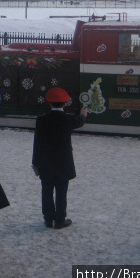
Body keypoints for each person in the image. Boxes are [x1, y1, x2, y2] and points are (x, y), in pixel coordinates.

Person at [32, 87, 87, 230]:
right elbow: (80, 122)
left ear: (49, 103)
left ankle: (49, 219)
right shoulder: (69, 119)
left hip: (46, 163)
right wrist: (83, 115)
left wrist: (35, 163)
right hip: (64, 163)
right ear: (65, 103)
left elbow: (37, 142)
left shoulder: (41, 120)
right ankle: (60, 220)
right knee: (62, 193)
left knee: (46, 191)